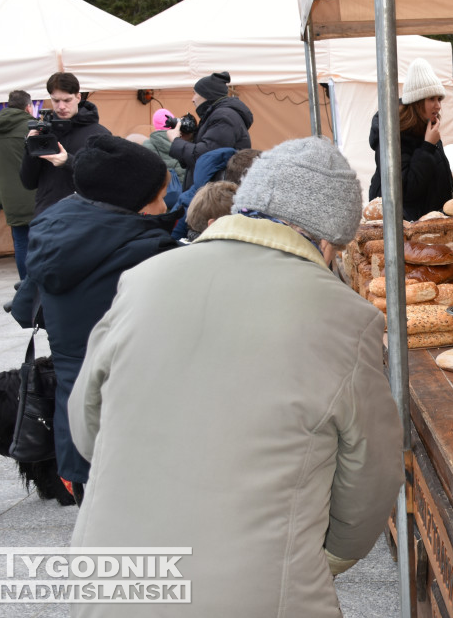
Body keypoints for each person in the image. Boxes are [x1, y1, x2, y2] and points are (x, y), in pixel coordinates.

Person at [67, 136, 404, 617]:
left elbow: (86, 426)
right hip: (258, 595)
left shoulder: (143, 279)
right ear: (327, 239)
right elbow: (371, 473)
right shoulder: (346, 318)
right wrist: (330, 556)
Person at [10, 135, 179, 504]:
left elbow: (25, 311)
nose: (165, 203)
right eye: (160, 195)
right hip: (134, 420)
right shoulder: (149, 250)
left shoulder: (50, 231)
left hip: (76, 423)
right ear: (134, 200)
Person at [368, 58, 453, 220]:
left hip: (431, 224)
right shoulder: (392, 136)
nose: (438, 106)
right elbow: (404, 190)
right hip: (407, 230)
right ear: (417, 102)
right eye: (432, 99)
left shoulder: (428, 127)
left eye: (439, 99)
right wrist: (427, 147)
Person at [19, 72, 111, 216]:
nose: (61, 106)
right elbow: (28, 183)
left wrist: (69, 161)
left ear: (78, 97)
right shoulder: (42, 131)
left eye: (67, 100)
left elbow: (105, 179)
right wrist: (30, 147)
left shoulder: (99, 134)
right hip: (47, 217)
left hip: (85, 217)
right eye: (56, 101)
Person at [167, 71, 253, 189]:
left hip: (216, 196)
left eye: (195, 94)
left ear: (206, 95)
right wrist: (188, 140)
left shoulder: (224, 117)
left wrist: (176, 140)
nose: (192, 99)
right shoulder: (218, 115)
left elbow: (204, 157)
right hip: (214, 192)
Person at [0, 90, 36, 275]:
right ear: (28, 107)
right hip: (38, 195)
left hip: (9, 198)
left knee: (20, 242)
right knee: (42, 244)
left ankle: (25, 288)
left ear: (7, 105)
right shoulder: (34, 127)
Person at [143, 107, 186, 182]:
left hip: (160, 191)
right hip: (184, 190)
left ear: (155, 124)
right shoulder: (183, 142)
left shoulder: (147, 146)